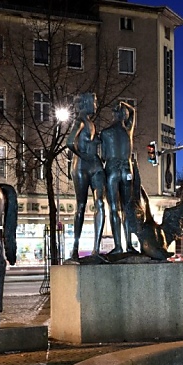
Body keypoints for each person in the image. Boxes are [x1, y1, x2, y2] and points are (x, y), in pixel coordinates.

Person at [66, 93, 106, 259]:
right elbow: (69, 142)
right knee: (81, 206)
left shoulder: (90, 123)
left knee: (100, 203)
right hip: (82, 165)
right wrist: (81, 155)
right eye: (93, 102)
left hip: (95, 165)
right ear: (86, 103)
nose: (95, 105)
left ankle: (96, 248)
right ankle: (75, 247)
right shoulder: (80, 121)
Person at [100, 101, 136, 254]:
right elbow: (133, 112)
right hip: (127, 170)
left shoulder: (105, 133)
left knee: (114, 208)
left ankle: (118, 247)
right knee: (127, 208)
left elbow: (104, 156)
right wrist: (124, 104)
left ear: (114, 115)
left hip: (113, 170)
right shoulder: (128, 130)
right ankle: (129, 245)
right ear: (124, 116)